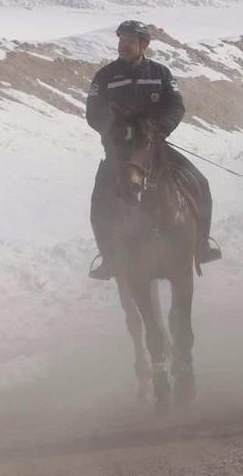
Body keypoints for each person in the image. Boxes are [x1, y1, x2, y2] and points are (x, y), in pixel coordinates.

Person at [86, 19, 222, 280]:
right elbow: (93, 113)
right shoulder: (104, 77)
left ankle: (202, 244)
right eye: (120, 40)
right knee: (98, 200)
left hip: (154, 147)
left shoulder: (161, 73)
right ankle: (108, 259)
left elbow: (176, 106)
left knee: (200, 182)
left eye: (129, 41)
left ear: (143, 44)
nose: (122, 45)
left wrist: (159, 130)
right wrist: (116, 130)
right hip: (119, 151)